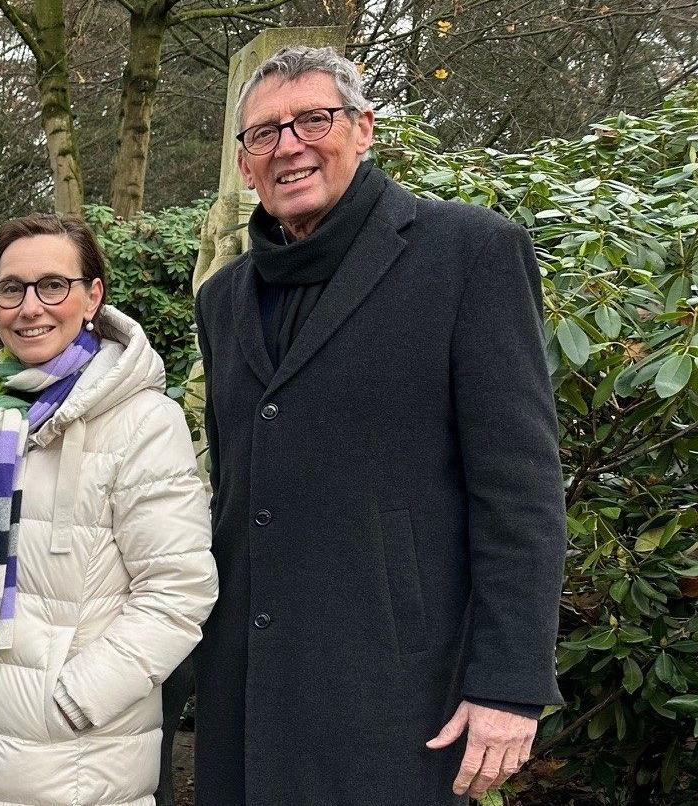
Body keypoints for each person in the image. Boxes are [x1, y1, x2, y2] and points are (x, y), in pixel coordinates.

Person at [192, 45, 564, 805]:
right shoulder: (222, 300)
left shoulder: (468, 253)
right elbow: (235, 490)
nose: (288, 146)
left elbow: (521, 489)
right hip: (248, 683)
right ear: (244, 164)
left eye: (313, 120)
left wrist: (509, 683)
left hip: (396, 691)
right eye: (263, 133)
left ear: (363, 129)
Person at [0, 214, 217, 805]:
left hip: (72, 764)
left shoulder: (142, 421)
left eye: (53, 286)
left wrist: (74, 699)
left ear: (92, 296)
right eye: (11, 288)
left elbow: (180, 588)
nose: (30, 308)